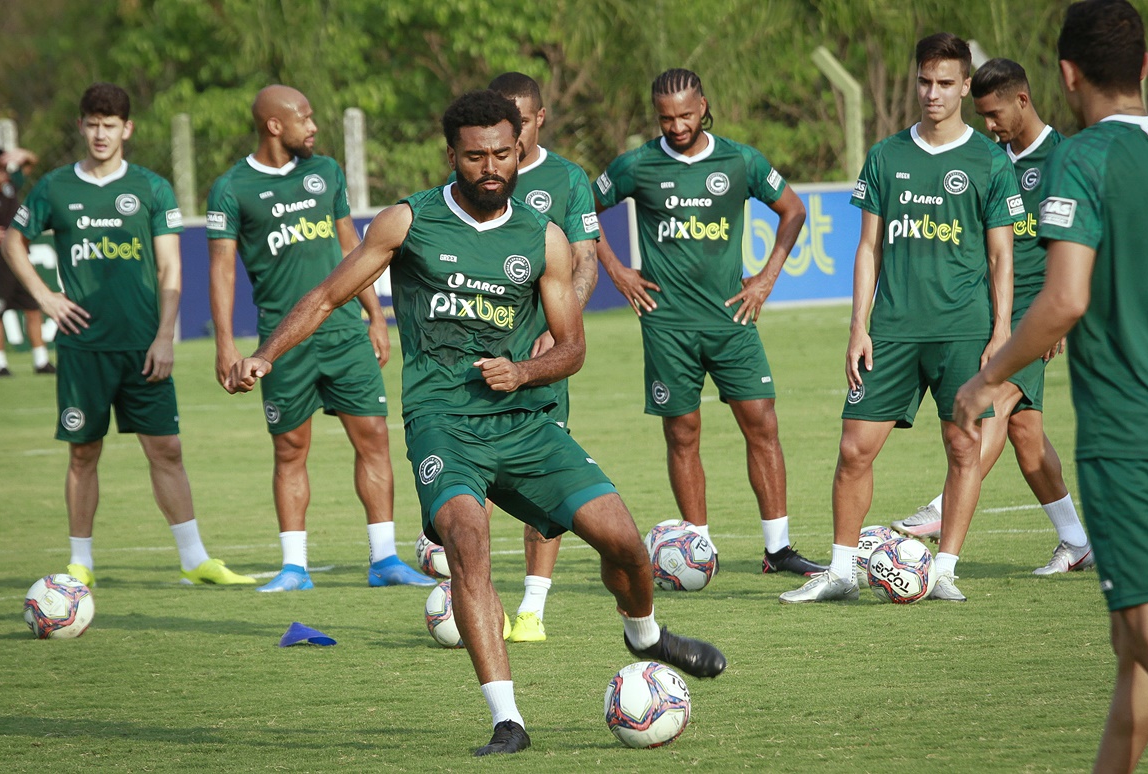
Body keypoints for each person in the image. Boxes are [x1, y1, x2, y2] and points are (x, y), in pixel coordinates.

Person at [225, 90, 726, 756]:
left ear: (518, 149)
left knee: (627, 545)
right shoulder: (408, 223)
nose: (490, 167)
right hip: (441, 423)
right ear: (452, 155)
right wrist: (263, 355)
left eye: (501, 154)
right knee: (468, 540)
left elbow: (572, 348)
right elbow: (324, 296)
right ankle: (508, 720)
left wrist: (523, 373)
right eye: (474, 156)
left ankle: (647, 637)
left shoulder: (542, 238)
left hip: (522, 420)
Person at [954, 2, 1148, 768]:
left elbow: (1065, 298)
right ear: (1146, 67)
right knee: (1130, 642)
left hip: (1130, 437)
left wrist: (988, 378)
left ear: (1067, 76)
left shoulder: (1082, 159)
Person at [780, 33, 1023, 604]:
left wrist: (1002, 329)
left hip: (963, 327)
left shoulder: (989, 160)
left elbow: (1001, 254)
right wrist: (858, 325)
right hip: (890, 329)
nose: (932, 94)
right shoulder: (886, 156)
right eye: (924, 82)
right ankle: (841, 572)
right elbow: (868, 249)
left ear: (966, 85)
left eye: (944, 84)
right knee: (853, 449)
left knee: (964, 447)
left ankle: (946, 571)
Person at [1, 82, 254, 588]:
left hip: (144, 348)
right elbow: (13, 241)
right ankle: (81, 564)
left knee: (167, 450)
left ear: (127, 129)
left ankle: (194, 558)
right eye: (92, 124)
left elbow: (169, 269)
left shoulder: (152, 188)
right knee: (83, 452)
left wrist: (165, 336)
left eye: (110, 125)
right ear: (81, 126)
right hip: (82, 348)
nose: (100, 133)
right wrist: (45, 296)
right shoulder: (54, 188)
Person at [592, 68, 823, 576]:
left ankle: (778, 549)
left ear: (704, 107)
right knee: (683, 432)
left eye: (686, 115)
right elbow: (584, 212)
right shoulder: (637, 164)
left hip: (731, 317)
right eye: (665, 118)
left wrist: (765, 278)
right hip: (666, 323)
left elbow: (794, 210)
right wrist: (617, 271)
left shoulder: (740, 160)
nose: (676, 126)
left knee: (761, 422)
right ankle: (696, 550)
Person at [207, 85, 430, 592]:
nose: (313, 126)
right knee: (290, 448)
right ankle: (294, 567)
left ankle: (385, 559)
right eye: (304, 118)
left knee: (373, 436)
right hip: (282, 341)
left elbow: (352, 242)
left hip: (346, 331)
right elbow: (220, 268)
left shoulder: (326, 171)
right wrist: (225, 344)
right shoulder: (230, 188)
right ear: (274, 126)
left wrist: (376, 312)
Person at [894, 58, 1093, 576]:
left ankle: (941, 510)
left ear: (1022, 100)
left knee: (994, 401)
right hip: (991, 310)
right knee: (1027, 434)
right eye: (980, 115)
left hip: (1038, 312)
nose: (988, 124)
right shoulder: (990, 160)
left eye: (994, 113)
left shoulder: (1065, 159)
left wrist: (1062, 319)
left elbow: (1090, 245)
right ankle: (1076, 542)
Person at [485, 71, 600, 642]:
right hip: (480, 356)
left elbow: (586, 262)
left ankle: (532, 609)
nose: (509, 135)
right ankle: (473, 597)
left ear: (539, 119)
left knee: (542, 480)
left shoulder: (567, 180)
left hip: (543, 360)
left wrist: (560, 332)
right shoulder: (477, 175)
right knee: (469, 483)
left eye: (520, 123)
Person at [0, 145, 53, 376]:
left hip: (19, 260)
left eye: (5, 167)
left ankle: (41, 360)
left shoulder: (10, 187)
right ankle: (0, 363)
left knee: (33, 308)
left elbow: (32, 161)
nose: (2, 172)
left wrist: (22, 154)